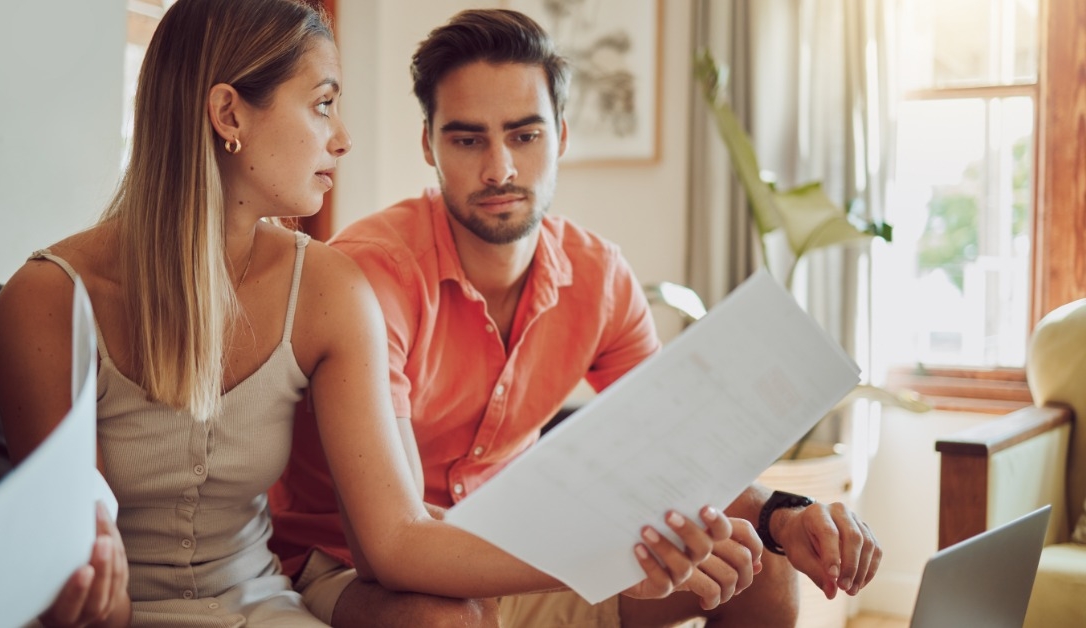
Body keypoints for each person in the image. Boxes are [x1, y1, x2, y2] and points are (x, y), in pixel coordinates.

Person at [0, 1, 732, 627]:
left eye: (525, 134)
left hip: (263, 607)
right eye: (322, 105)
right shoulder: (48, 299)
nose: (342, 138)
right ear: (228, 115)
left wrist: (616, 550)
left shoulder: (328, 289)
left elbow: (396, 538)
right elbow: (61, 571)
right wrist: (80, 591)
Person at [270, 8, 884, 628]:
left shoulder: (599, 277)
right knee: (445, 619)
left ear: (561, 136)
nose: (500, 169)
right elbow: (395, 548)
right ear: (428, 144)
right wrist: (598, 558)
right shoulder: (373, 276)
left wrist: (786, 514)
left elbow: (676, 451)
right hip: (347, 561)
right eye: (467, 138)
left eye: (524, 135)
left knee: (760, 567)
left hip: (513, 549)